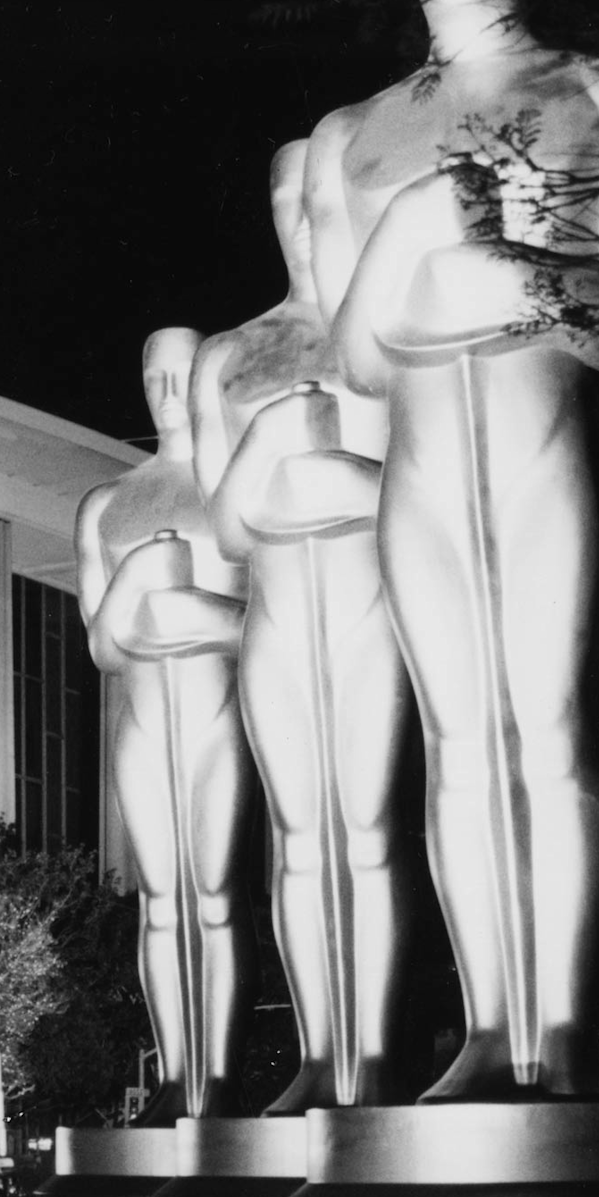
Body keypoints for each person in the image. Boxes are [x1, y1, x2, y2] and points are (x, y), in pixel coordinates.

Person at [309, 0, 599, 1099]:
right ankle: (489, 1028)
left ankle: (556, 1030)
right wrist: (416, 235)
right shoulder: (361, 136)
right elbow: (355, 358)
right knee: (459, 743)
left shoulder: (597, 88)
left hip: (535, 443)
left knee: (547, 730)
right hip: (418, 472)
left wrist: (496, 269)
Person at [194, 144, 414, 1111]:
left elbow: (421, 486)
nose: (297, 209)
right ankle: (324, 1054)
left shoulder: (387, 331)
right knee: (297, 836)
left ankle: (373, 1054)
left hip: (370, 596)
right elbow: (228, 526)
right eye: (279, 190)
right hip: (278, 610)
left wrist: (321, 478)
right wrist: (281, 444)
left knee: (365, 822)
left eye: (310, 190)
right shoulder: (230, 356)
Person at [74, 327, 258, 1120]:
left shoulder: (229, 490)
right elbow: (102, 644)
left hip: (217, 714)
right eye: (154, 373)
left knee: (213, 891)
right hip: (143, 723)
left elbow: (263, 619)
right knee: (161, 900)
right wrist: (145, 579)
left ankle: (217, 1074)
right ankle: (176, 1073)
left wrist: (184, 611)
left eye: (183, 373)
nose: (169, 389)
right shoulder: (107, 504)